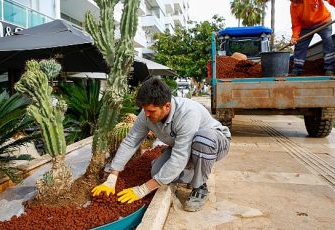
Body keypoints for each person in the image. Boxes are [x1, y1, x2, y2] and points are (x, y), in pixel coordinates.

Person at [91, 77, 231, 212]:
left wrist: (143, 189)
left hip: (215, 143)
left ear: (167, 106)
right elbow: (130, 141)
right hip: (186, 147)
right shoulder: (146, 114)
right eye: (144, 110)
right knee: (157, 173)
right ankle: (194, 171)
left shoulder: (187, 113)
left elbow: (180, 156)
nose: (146, 115)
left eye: (151, 111)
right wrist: (113, 175)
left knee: (202, 140)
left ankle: (200, 186)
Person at [290, 0, 335, 76]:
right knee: (300, 45)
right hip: (306, 27)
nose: (293, 2)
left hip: (323, 21)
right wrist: (294, 37)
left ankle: (329, 68)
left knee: (327, 41)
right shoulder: (293, 6)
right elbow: (296, 24)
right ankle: (297, 69)